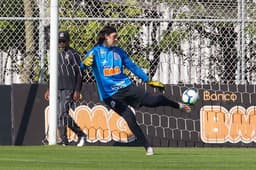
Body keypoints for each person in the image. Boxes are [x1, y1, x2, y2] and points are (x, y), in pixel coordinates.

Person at [80, 25, 191, 155]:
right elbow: (81, 66)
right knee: (129, 117)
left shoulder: (119, 52)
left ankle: (177, 105)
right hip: (110, 95)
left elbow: (133, 67)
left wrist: (148, 80)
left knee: (153, 101)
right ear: (106, 36)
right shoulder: (95, 52)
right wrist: (84, 64)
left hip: (127, 87)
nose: (116, 40)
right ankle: (148, 147)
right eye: (114, 37)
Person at [44, 31, 86, 147]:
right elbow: (53, 73)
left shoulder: (74, 54)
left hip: (69, 87)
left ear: (68, 41)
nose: (61, 43)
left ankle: (76, 135)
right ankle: (66, 140)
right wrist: (49, 88)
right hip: (57, 87)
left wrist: (77, 90)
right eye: (59, 41)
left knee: (63, 112)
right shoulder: (55, 55)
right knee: (58, 114)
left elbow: (80, 73)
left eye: (63, 41)